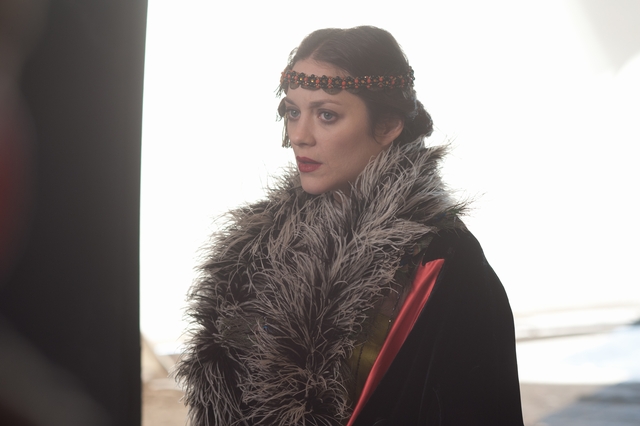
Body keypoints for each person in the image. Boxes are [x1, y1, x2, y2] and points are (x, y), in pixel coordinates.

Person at [175, 26, 524, 425]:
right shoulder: (259, 249)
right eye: (292, 112)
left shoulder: (442, 261)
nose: (299, 136)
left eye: (327, 115)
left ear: (388, 125)